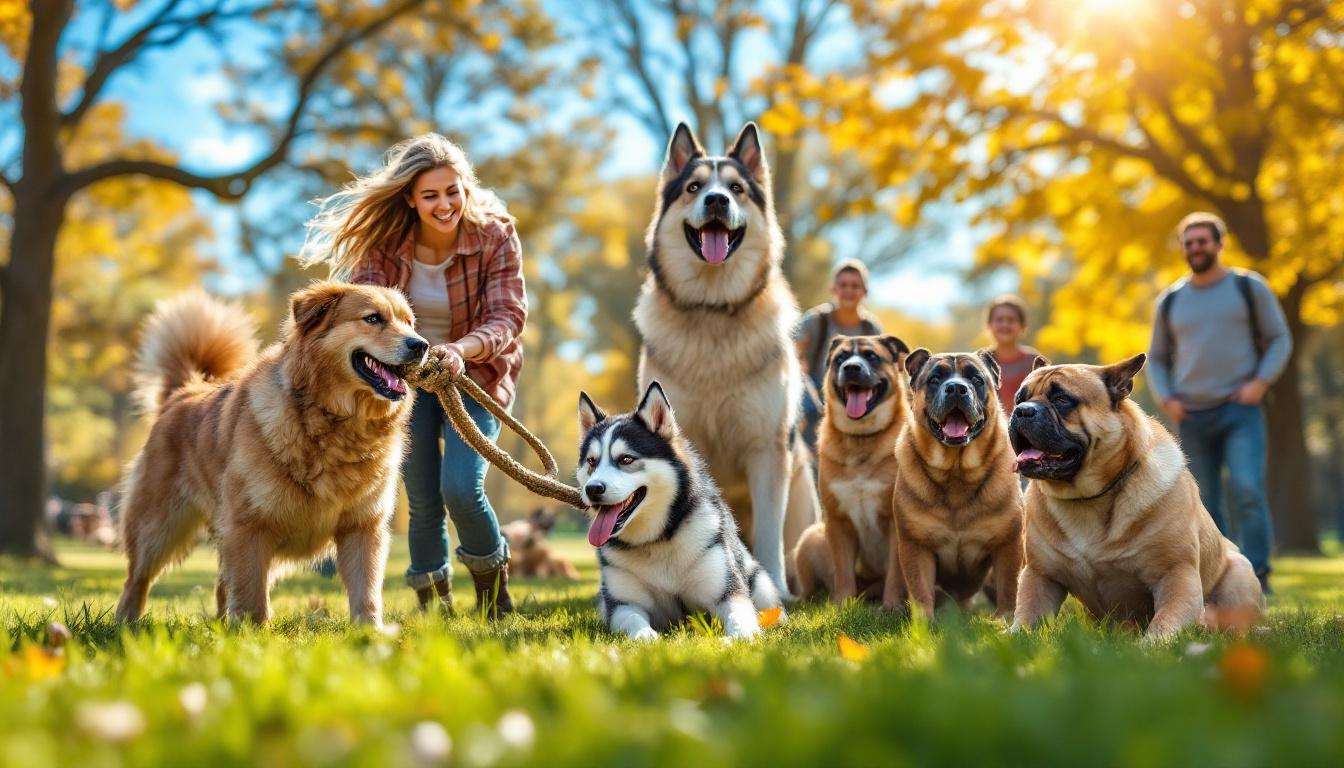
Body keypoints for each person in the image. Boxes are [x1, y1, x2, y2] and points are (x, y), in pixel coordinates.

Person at [302, 133, 527, 618]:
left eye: (453, 191)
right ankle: (433, 604)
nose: (444, 204)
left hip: (476, 377)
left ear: (466, 188)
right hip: (402, 380)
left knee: (462, 488)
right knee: (421, 497)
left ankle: (493, 594)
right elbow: (362, 309)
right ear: (410, 198)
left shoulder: (496, 235)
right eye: (430, 195)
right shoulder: (385, 246)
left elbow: (508, 316)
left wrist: (460, 350)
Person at [1148, 212, 1292, 593]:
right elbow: (1157, 358)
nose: (1195, 248)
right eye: (1188, 242)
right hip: (1191, 415)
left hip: (1240, 409)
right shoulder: (1171, 301)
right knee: (1203, 502)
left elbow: (1279, 338)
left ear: (1219, 243)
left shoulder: (1248, 288)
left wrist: (1260, 382)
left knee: (1247, 490)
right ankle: (1215, 577)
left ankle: (1258, 576)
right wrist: (1168, 398)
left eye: (1202, 241)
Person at [795, 259, 883, 453]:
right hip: (816, 388)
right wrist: (800, 367)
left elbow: (880, 369)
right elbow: (793, 356)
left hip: (855, 389)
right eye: (843, 285)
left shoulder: (871, 327)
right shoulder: (816, 320)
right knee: (802, 409)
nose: (849, 291)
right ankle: (803, 462)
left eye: (855, 286)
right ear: (833, 288)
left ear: (865, 291)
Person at [982, 294, 1041, 416]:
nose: (1005, 324)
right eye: (999, 319)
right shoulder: (980, 362)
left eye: (1011, 320)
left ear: (1023, 325)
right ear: (989, 325)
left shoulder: (1034, 361)